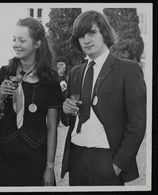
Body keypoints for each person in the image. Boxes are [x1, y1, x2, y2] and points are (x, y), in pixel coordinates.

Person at [60, 10, 146, 186]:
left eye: (92, 33)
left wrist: (118, 165)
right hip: (76, 157)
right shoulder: (76, 73)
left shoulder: (127, 70)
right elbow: (67, 120)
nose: (86, 40)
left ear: (104, 33)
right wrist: (66, 109)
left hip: (106, 160)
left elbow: (137, 125)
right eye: (81, 36)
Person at [0, 17, 63, 186]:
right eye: (14, 39)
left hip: (36, 157)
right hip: (5, 156)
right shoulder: (5, 72)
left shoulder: (51, 79)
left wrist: (50, 167)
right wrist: (2, 96)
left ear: (37, 43)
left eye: (22, 40)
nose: (16, 44)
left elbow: (52, 127)